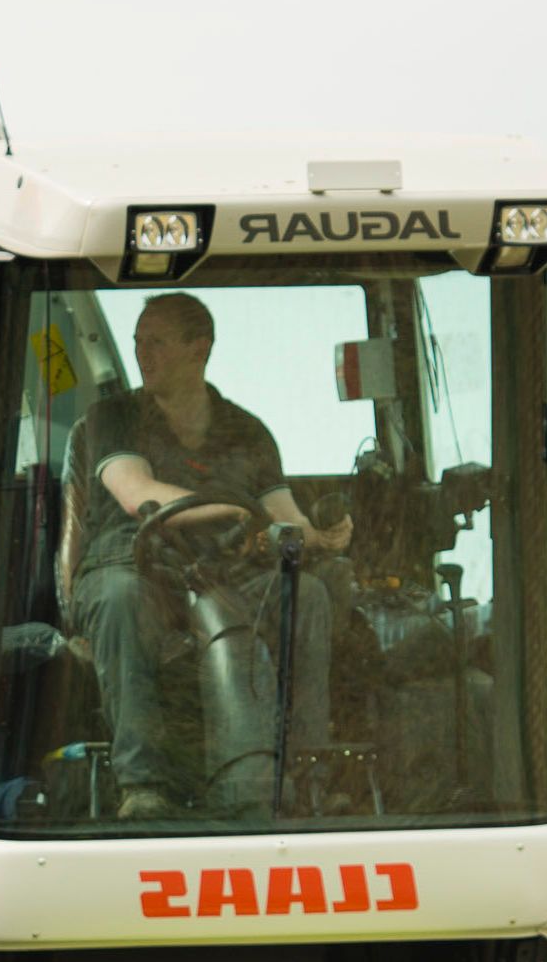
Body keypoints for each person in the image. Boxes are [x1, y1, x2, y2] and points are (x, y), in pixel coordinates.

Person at [68, 293, 347, 822]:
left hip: (226, 576)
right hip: (133, 566)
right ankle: (143, 785)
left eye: (157, 342)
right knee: (120, 599)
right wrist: (233, 512)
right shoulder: (114, 417)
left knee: (305, 594)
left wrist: (321, 534)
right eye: (138, 342)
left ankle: (307, 773)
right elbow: (136, 493)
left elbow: (283, 515)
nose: (142, 354)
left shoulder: (246, 430)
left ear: (200, 348)